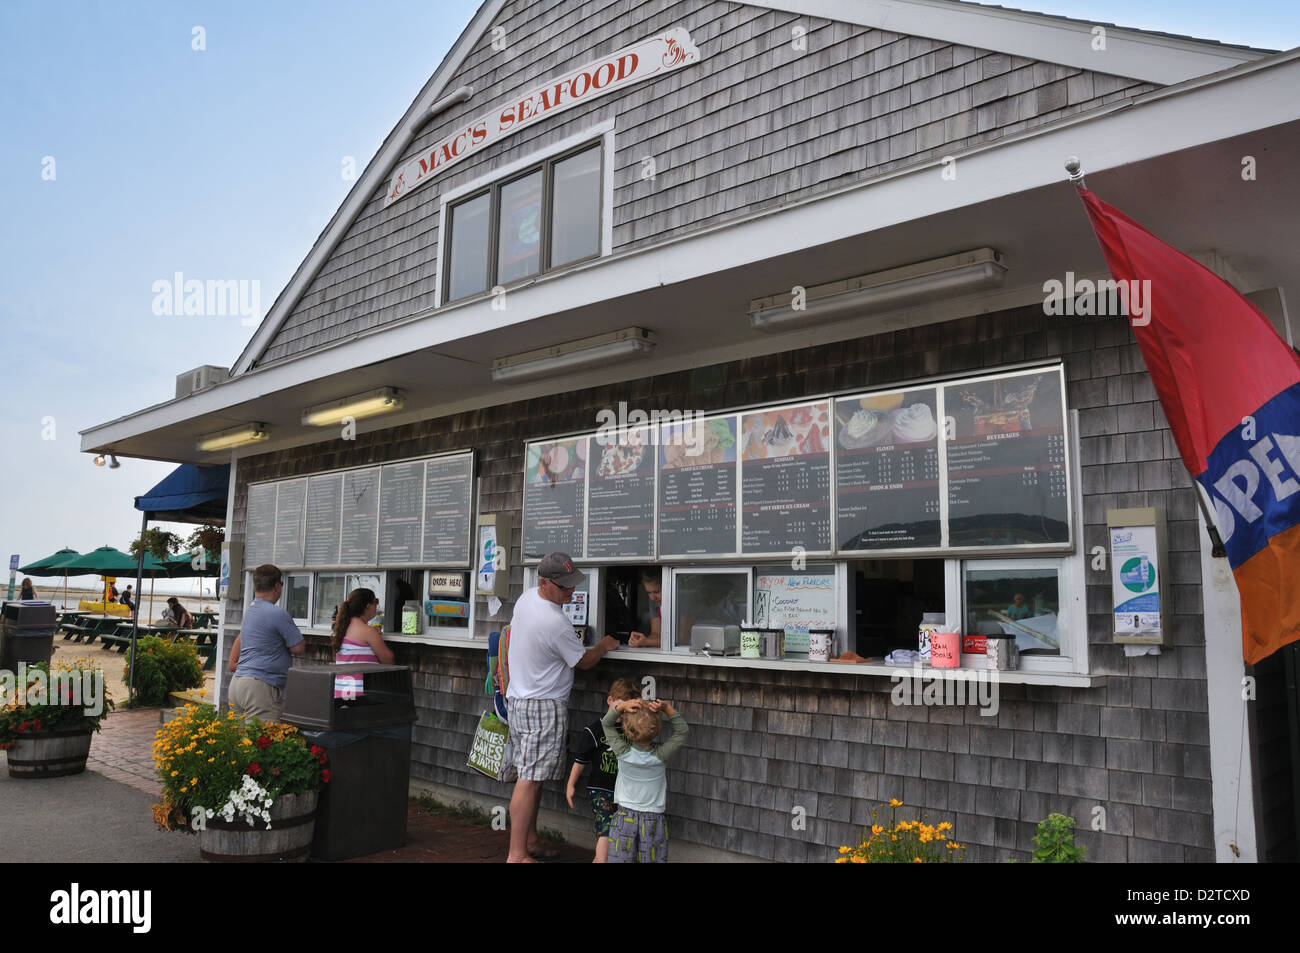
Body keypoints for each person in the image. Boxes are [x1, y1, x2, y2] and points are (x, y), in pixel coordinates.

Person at [506, 552, 620, 863]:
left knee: (533, 776)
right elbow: (582, 661)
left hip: (520, 699)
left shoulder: (527, 598)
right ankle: (516, 855)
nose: (571, 592)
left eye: (573, 585)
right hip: (542, 705)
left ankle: (529, 842)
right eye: (565, 587)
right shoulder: (554, 620)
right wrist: (604, 646)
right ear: (544, 582)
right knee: (529, 779)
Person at [601, 696, 689, 864]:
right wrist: (666, 708)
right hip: (653, 820)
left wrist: (622, 707)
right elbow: (682, 731)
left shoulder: (622, 752)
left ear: (627, 730)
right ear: (659, 729)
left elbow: (606, 723)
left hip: (624, 817)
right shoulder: (661, 756)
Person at [566, 678, 640, 863]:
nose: (623, 712)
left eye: (627, 708)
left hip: (623, 793)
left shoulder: (631, 730)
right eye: (620, 707)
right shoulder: (595, 730)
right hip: (600, 791)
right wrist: (571, 784)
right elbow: (580, 759)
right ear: (610, 700)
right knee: (606, 830)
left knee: (621, 836)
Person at [227, 564, 306, 722]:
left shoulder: (250, 611)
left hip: (237, 683)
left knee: (241, 741)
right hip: (260, 687)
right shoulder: (277, 613)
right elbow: (299, 648)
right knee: (263, 742)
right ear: (277, 586)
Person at [332, 588, 393, 700]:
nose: (376, 607)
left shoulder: (343, 628)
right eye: (376, 602)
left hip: (341, 692)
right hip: (362, 694)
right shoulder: (368, 632)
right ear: (368, 606)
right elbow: (388, 659)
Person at [627, 568, 662, 648]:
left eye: (656, 592)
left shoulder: (681, 599)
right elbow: (656, 633)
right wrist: (639, 640)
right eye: (649, 592)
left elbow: (680, 640)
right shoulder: (653, 601)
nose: (653, 597)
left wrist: (647, 642)